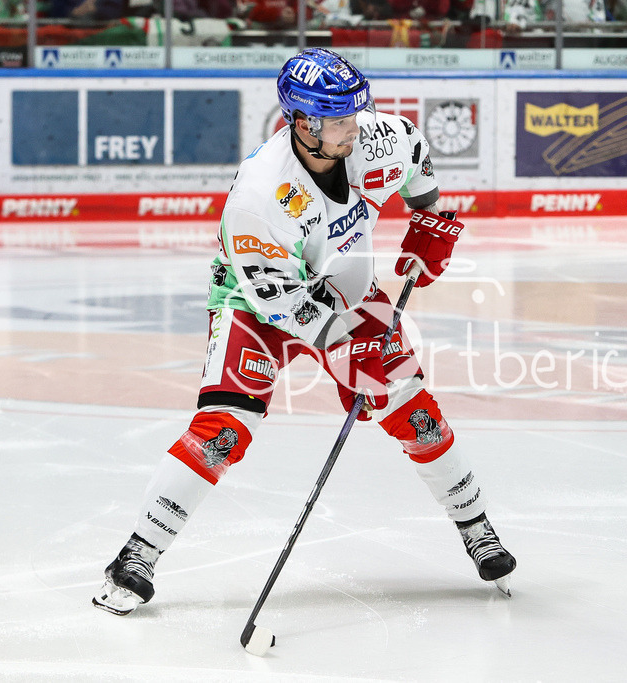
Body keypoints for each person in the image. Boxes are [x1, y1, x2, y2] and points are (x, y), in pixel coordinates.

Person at [93, 47, 517, 617]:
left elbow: (415, 148)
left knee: (413, 412)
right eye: (339, 119)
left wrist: (428, 216)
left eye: (354, 113)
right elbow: (282, 305)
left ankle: (477, 527)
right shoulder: (260, 195)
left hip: (346, 289)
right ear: (304, 123)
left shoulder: (368, 138)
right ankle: (137, 554)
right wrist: (347, 344)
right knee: (224, 427)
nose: (355, 126)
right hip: (258, 305)